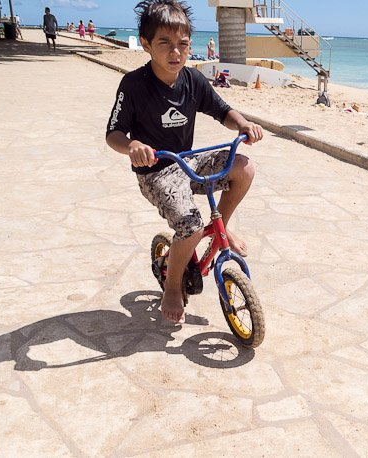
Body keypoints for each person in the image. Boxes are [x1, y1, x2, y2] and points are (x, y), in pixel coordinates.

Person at [106, 0, 263, 324]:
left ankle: (222, 229)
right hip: (156, 171)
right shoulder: (134, 85)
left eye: (183, 44)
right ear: (146, 44)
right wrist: (132, 145)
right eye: (164, 43)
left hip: (187, 162)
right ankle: (173, 286)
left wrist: (243, 124)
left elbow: (223, 111)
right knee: (191, 228)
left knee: (244, 168)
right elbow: (113, 133)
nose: (175, 52)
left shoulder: (193, 79)